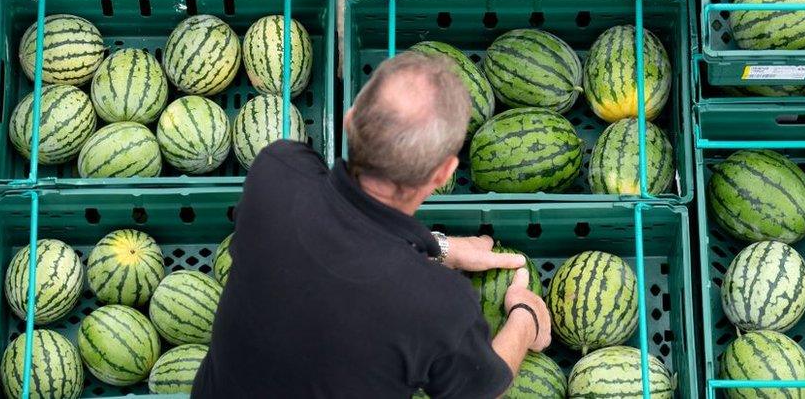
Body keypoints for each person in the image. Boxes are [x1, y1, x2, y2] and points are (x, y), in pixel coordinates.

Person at [194, 51, 551, 398]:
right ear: (444, 173)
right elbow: (485, 389)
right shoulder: (440, 307)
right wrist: (524, 317)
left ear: (350, 121)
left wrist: (441, 248)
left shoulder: (276, 171)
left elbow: (338, 258)